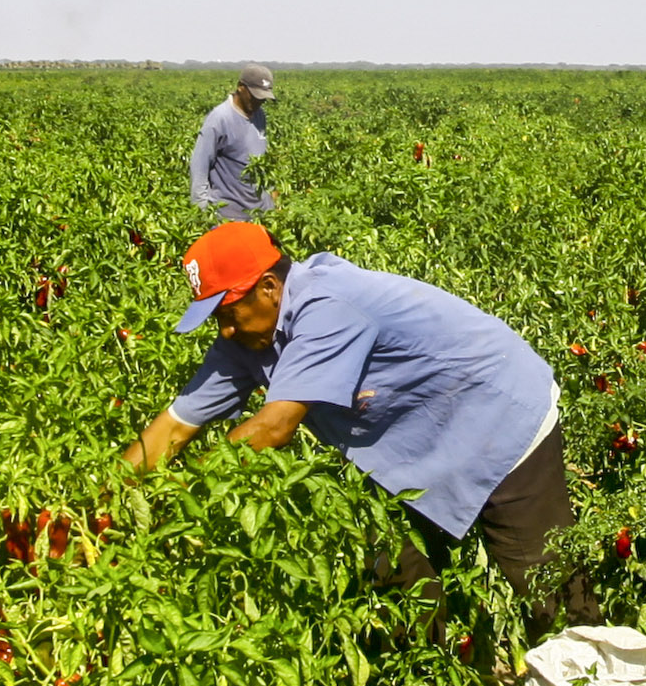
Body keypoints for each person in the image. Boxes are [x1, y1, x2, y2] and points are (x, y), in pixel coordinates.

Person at [121, 221, 598, 636]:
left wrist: (181, 499)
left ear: (268, 288)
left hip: (496, 419)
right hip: (412, 447)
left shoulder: (329, 307)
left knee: (543, 583)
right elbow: (175, 426)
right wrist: (106, 503)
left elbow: (273, 428)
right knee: (398, 575)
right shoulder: (246, 337)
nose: (224, 331)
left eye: (228, 313)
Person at [188, 66, 278, 220]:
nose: (258, 102)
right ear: (241, 87)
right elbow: (199, 168)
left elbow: (260, 160)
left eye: (262, 99)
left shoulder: (260, 115)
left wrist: (272, 196)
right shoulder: (219, 119)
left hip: (260, 215)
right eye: (254, 96)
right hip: (229, 216)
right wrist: (202, 214)